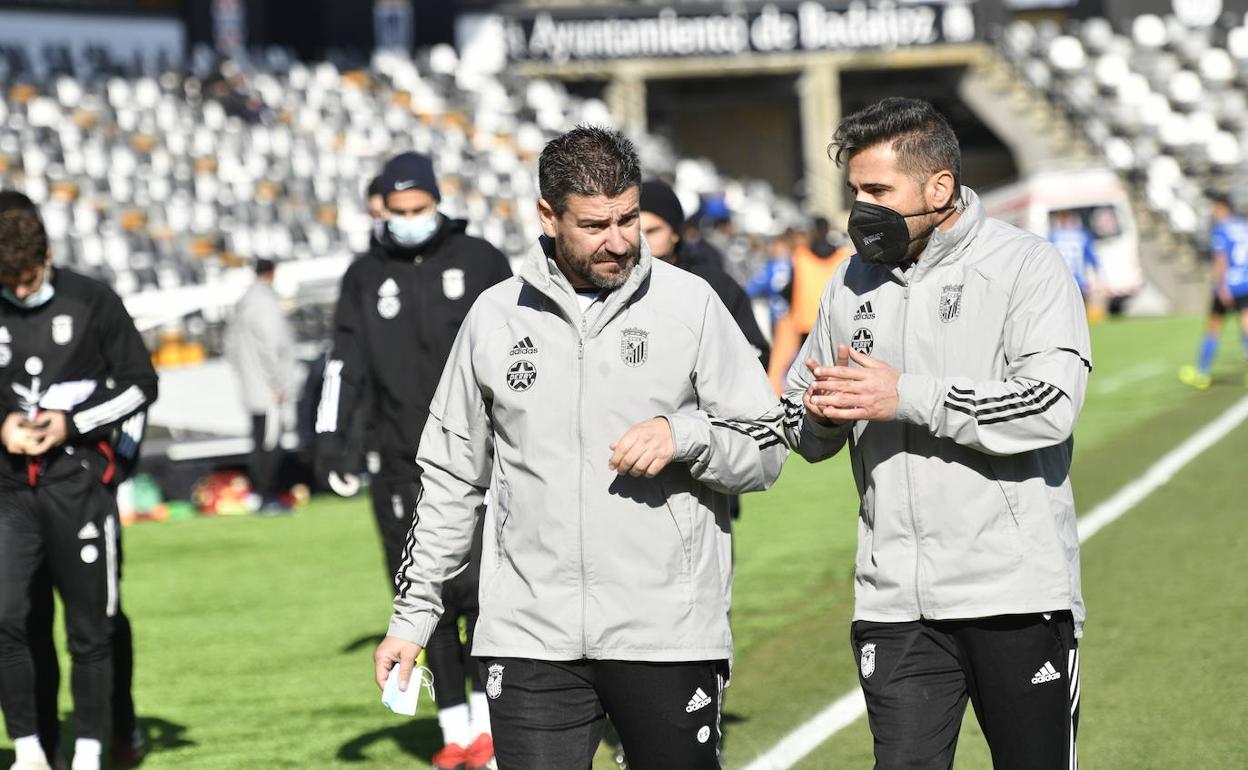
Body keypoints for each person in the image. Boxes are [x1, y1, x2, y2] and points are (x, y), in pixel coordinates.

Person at [372, 126, 789, 770]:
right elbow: (452, 477)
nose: (620, 241)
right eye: (596, 225)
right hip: (528, 636)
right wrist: (413, 615)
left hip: (666, 634)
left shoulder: (693, 305)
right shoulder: (494, 319)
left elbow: (767, 447)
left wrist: (686, 436)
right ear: (547, 215)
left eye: (629, 219)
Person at [784, 98, 1090, 769]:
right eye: (854, 190)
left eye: (876, 191)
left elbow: (1050, 405)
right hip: (894, 602)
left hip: (1013, 592)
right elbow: (795, 416)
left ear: (939, 188)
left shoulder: (1024, 266)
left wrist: (910, 395)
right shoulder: (849, 282)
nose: (859, 208)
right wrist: (819, 413)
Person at [316, 152, 512, 768]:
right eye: (396, 211)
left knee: (485, 595)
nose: (407, 220)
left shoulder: (479, 260)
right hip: (402, 463)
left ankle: (492, 723)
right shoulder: (364, 276)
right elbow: (342, 364)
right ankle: (455, 734)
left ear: (437, 201)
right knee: (426, 599)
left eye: (418, 209)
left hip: (484, 458)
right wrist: (329, 438)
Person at [0, 199, 159, 770]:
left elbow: (141, 383)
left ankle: (99, 744)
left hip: (78, 486)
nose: (21, 293)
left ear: (47, 254)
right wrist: (4, 424)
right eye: (8, 284)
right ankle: (32, 751)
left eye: (28, 280)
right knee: (11, 617)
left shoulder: (91, 300)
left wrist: (74, 425)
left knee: (94, 623)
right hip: (10, 492)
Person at [224, 258, 297, 514]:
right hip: (267, 389)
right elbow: (272, 344)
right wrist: (278, 382)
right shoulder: (264, 302)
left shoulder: (244, 301)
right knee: (270, 445)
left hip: (252, 386)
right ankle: (268, 495)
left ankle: (262, 494)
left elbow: (231, 348)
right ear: (273, 273)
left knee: (260, 442)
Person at [1179, 193, 1248, 390]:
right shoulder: (1243, 226)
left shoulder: (1222, 229)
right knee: (1246, 323)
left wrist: (1221, 285)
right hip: (1245, 281)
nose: (1212, 212)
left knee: (1214, 326)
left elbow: (1221, 259)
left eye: (1214, 208)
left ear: (1221, 208)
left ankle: (1202, 373)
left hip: (1230, 284)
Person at [1047, 210, 1100, 304]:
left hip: (1061, 277)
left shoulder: (1054, 236)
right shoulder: (1082, 234)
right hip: (1078, 276)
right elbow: (1090, 255)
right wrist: (1096, 269)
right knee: (1079, 305)